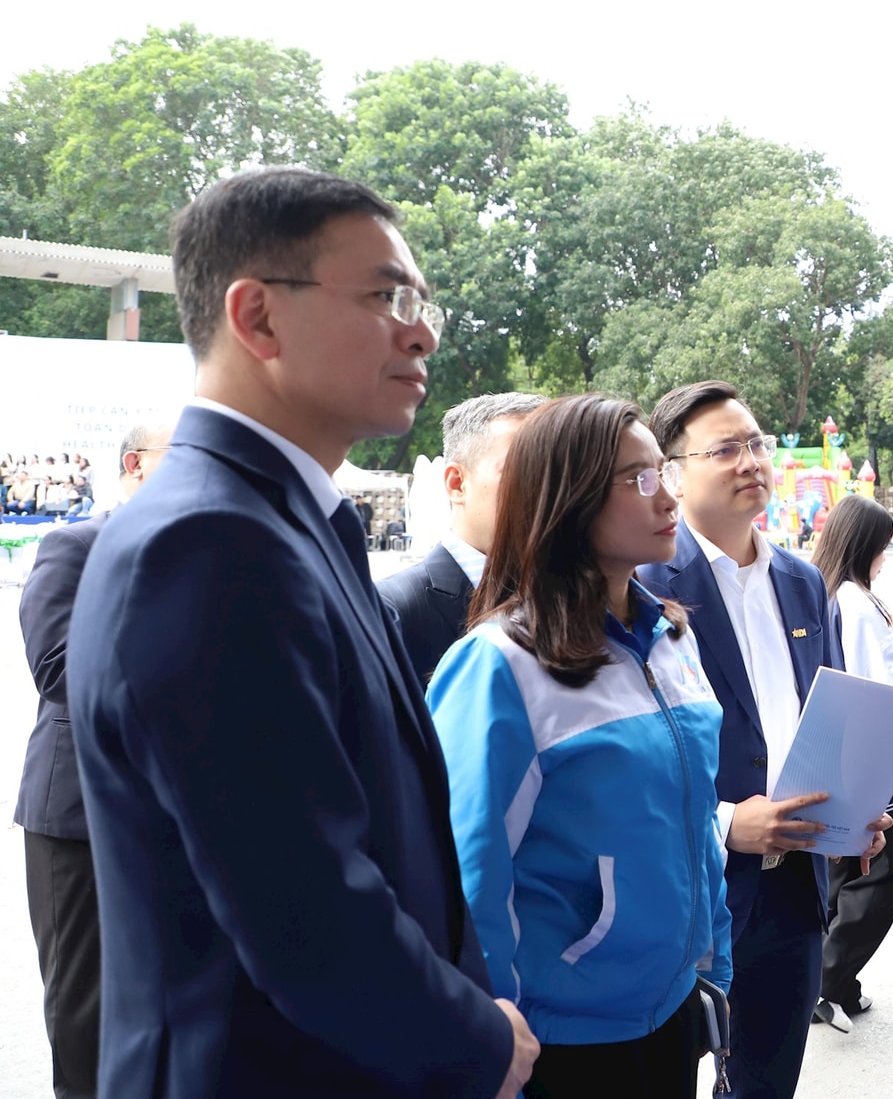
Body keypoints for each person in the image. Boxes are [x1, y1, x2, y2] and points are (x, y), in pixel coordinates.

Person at [65, 167, 537, 1098]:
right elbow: (301, 905)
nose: (422, 333)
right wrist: (474, 1040)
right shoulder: (207, 544)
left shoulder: (285, 522)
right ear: (258, 317)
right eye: (386, 298)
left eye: (423, 304)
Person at [427, 395, 732, 1098]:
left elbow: (696, 822)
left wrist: (714, 967)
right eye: (638, 479)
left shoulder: (672, 639)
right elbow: (469, 873)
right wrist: (492, 1030)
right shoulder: (498, 664)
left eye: (664, 473)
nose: (668, 497)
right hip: (557, 1041)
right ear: (568, 499)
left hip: (672, 1012)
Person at [636, 380, 886, 1099]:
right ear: (673, 475)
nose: (750, 461)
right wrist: (723, 824)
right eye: (725, 450)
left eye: (757, 444)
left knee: (764, 1085)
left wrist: (853, 809)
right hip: (688, 884)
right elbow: (631, 755)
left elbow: (819, 718)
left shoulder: (802, 582)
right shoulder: (642, 585)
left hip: (792, 892)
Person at [15, 421, 171, 1099]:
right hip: (78, 816)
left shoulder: (207, 552)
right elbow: (57, 669)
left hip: (174, 815)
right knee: (84, 1006)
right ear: (135, 464)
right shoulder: (74, 545)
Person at [808, 494, 893, 1033]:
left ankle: (838, 985)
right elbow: (883, 683)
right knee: (885, 870)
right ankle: (825, 979)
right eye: (883, 544)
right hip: (869, 757)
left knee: (843, 876)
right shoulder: (854, 602)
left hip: (838, 750)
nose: (886, 555)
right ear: (865, 545)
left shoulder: (825, 591)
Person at [380, 391, 546, 683]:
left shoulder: (578, 600)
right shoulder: (392, 610)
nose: (546, 489)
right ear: (457, 483)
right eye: (523, 469)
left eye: (557, 473)